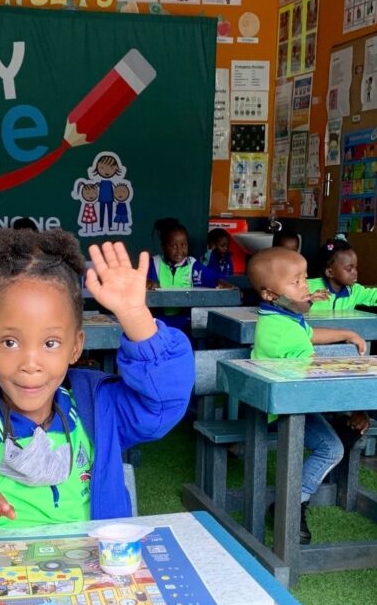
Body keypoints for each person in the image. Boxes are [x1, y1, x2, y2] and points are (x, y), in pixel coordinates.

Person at [0, 228, 194, 536]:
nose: (30, 364)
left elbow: (163, 403)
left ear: (75, 346)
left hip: (91, 582)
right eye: (10, 342)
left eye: (51, 343)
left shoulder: (100, 407)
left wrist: (135, 315)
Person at [248, 247, 368, 545]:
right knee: (332, 449)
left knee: (349, 428)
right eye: (296, 282)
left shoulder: (281, 316)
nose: (306, 287)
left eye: (304, 279)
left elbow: (308, 333)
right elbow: (316, 374)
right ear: (270, 294)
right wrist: (355, 405)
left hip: (296, 400)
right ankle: (290, 503)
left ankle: (345, 425)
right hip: (285, 409)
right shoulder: (280, 330)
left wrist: (345, 333)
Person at [148, 218, 231, 330]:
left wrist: (221, 282)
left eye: (184, 245)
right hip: (157, 321)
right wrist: (147, 282)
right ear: (163, 247)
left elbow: (211, 277)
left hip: (185, 321)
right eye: (174, 246)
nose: (179, 250)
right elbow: (141, 280)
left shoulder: (192, 264)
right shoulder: (154, 263)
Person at [307, 236, 377, 310]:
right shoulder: (307, 286)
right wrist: (308, 300)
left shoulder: (355, 291)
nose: (355, 272)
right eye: (349, 269)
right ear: (330, 272)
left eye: (355, 267)